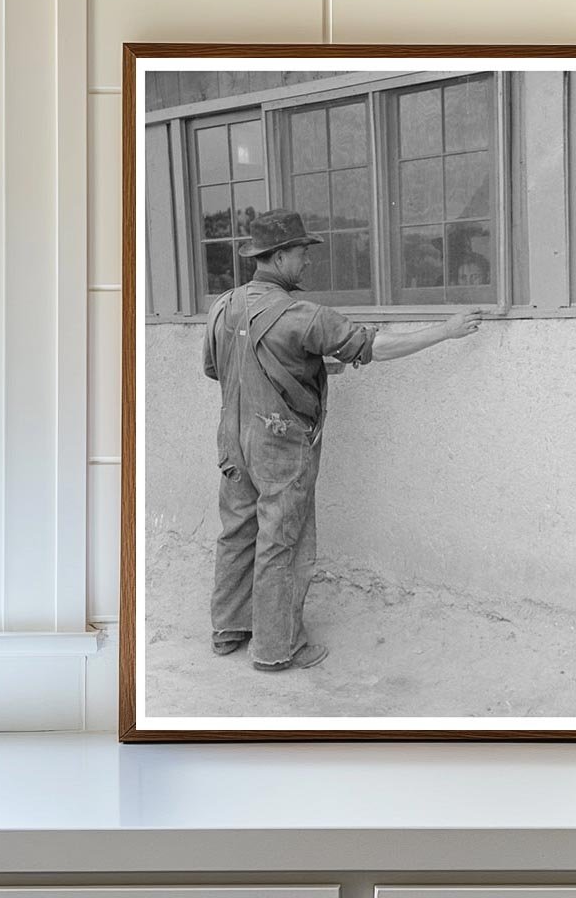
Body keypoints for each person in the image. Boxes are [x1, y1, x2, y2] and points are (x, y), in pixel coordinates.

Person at [203, 209, 483, 672]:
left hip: (233, 441)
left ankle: (228, 629)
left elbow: (216, 368)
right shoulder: (303, 315)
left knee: (236, 532)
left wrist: (294, 368)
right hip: (279, 444)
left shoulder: (222, 306)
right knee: (282, 542)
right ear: (277, 256)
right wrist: (448, 331)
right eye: (301, 252)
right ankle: (277, 649)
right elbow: (378, 348)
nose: (308, 262)